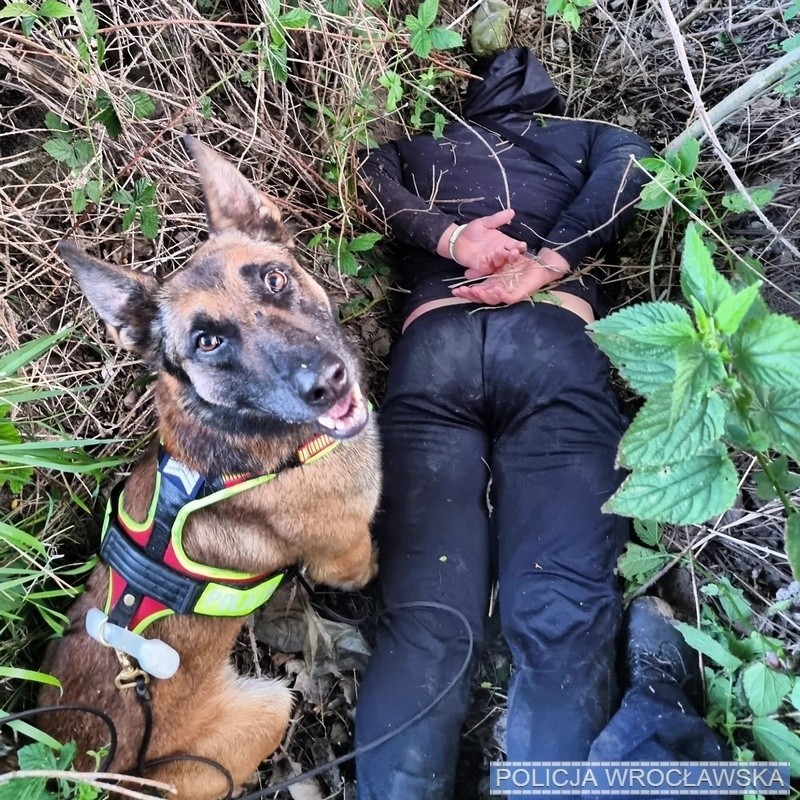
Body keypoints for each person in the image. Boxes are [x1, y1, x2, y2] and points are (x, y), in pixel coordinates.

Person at [353, 48, 729, 800]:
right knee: (560, 609)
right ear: (549, 97)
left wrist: (450, 239)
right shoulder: (590, 136)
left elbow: (365, 177)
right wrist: (549, 262)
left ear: (468, 99)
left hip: (436, 348)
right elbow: (637, 171)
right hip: (550, 340)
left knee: (425, 621)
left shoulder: (418, 151)